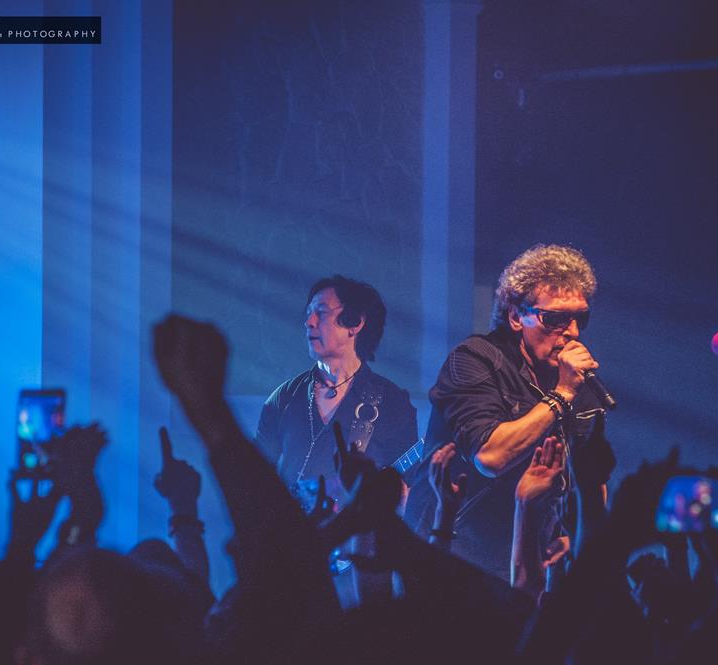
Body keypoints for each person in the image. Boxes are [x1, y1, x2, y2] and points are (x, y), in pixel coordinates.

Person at [421, 244, 608, 582]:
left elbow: (593, 480)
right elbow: (491, 456)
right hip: (462, 559)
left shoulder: (573, 378)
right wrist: (562, 394)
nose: (572, 332)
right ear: (515, 316)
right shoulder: (475, 360)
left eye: (579, 318)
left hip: (533, 564)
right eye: (555, 319)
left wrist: (576, 535)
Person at [255, 275, 418, 604]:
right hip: (290, 568)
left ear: (355, 323)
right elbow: (256, 483)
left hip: (358, 572)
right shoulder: (283, 399)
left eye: (321, 312)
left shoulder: (391, 402)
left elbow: (410, 496)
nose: (309, 322)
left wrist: (385, 500)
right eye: (308, 314)